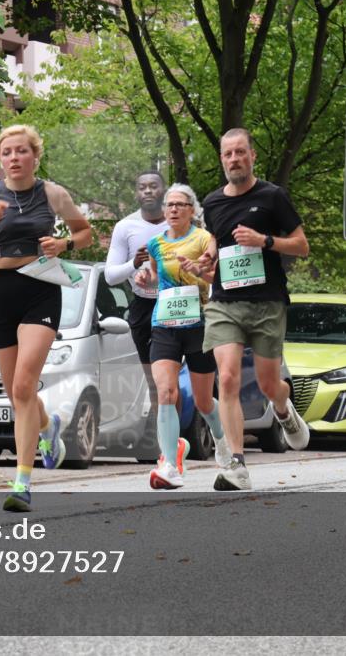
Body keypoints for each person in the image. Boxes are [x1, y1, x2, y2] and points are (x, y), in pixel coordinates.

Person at [0, 124, 93, 510]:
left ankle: (22, 483)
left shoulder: (52, 193)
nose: (14, 158)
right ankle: (48, 428)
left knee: (21, 386)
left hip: (40, 288)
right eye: (7, 153)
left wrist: (64, 242)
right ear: (0, 160)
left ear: (35, 156)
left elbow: (86, 233)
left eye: (21, 151)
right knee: (23, 396)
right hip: (1, 292)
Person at [197, 128, 311, 491]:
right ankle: (236, 465)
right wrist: (209, 255)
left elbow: (302, 246)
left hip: (267, 302)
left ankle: (282, 407)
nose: (234, 159)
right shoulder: (212, 202)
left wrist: (265, 241)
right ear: (222, 159)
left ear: (252, 156)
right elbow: (217, 237)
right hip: (225, 301)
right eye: (228, 154)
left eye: (240, 152)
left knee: (266, 382)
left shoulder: (273, 197)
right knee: (227, 378)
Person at [134, 184, 228, 488]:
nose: (173, 209)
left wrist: (197, 271)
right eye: (169, 205)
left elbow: (217, 277)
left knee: (203, 402)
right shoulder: (155, 244)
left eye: (180, 204)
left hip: (198, 324)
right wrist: (144, 276)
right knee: (166, 393)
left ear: (192, 210)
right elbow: (153, 274)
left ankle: (221, 440)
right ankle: (170, 464)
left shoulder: (204, 239)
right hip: (164, 324)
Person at [104, 171, 169, 448]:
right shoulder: (125, 227)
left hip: (176, 302)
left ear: (163, 190)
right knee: (153, 377)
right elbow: (110, 276)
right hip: (143, 304)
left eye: (153, 186)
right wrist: (134, 262)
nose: (148, 191)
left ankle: (189, 424)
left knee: (173, 375)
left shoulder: (180, 221)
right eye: (142, 187)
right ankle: (163, 437)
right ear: (136, 193)